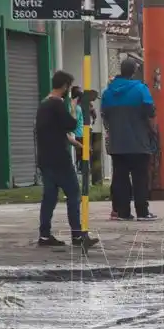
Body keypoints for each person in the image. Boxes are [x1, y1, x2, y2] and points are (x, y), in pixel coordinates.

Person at [34, 71, 98, 248]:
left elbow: (54, 130)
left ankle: (45, 235)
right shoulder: (57, 104)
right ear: (64, 86)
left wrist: (75, 143)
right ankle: (78, 236)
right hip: (59, 159)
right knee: (73, 194)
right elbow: (70, 124)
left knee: (50, 197)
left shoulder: (43, 105)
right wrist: (74, 105)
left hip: (45, 158)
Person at [101, 57, 158, 221]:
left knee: (120, 178)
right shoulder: (140, 89)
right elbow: (151, 111)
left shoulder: (108, 92)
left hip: (117, 143)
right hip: (139, 142)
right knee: (140, 177)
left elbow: (105, 116)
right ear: (134, 71)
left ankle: (123, 212)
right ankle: (142, 211)